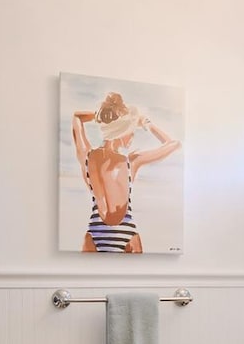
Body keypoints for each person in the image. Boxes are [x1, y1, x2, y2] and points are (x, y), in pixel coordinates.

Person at [72, 92, 181, 253]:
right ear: (122, 132)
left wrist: (107, 117)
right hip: (127, 233)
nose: (132, 135)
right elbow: (174, 143)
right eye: (131, 131)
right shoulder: (131, 161)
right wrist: (146, 123)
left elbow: (77, 118)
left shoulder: (87, 157)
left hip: (95, 232)